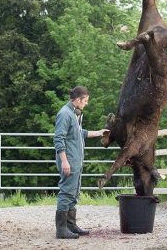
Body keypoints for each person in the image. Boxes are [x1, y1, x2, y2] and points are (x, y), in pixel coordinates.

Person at [53, 86, 109, 239]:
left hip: (75, 160)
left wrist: (98, 133)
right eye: (85, 100)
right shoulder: (65, 114)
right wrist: (64, 161)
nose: (86, 103)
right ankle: (61, 229)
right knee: (66, 191)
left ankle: (71, 225)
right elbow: (59, 139)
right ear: (77, 99)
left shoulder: (74, 114)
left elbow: (80, 133)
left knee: (74, 191)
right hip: (69, 160)